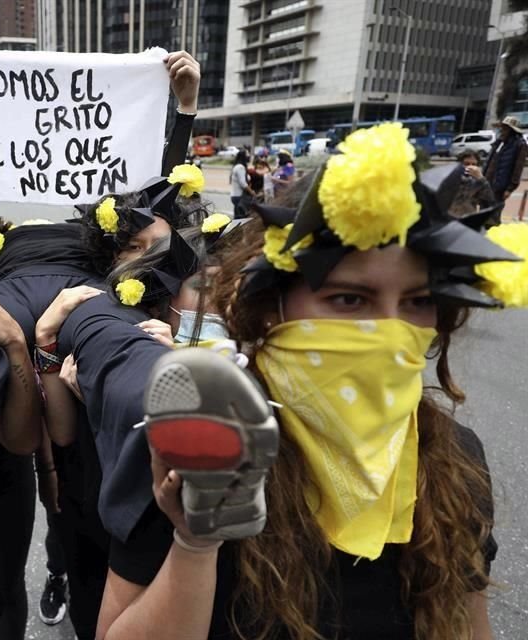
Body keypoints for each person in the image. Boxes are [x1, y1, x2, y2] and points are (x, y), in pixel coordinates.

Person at [95, 122, 526, 639]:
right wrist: (195, 541)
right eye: (349, 299)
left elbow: (467, 625)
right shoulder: (198, 440)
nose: (389, 330)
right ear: (272, 306)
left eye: (417, 302)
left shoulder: (453, 458)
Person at [485, 115, 527, 204]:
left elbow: (517, 169)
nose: (501, 131)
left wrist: (510, 189)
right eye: (502, 128)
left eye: (505, 129)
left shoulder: (519, 145)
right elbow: (489, 162)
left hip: (499, 187)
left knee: (493, 213)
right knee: (482, 212)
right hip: (487, 184)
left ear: (512, 131)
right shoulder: (499, 142)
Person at [451, 150, 498, 220]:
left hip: (468, 219)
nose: (470, 167)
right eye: (466, 164)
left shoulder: (478, 182)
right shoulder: (450, 179)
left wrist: (482, 179)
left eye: (474, 164)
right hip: (450, 219)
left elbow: (490, 202)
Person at [229, 150, 253, 218]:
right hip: (239, 197)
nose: (249, 156)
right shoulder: (240, 167)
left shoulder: (238, 166)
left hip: (236, 196)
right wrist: (251, 192)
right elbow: (243, 183)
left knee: (238, 217)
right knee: (241, 218)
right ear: (244, 157)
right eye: (247, 155)